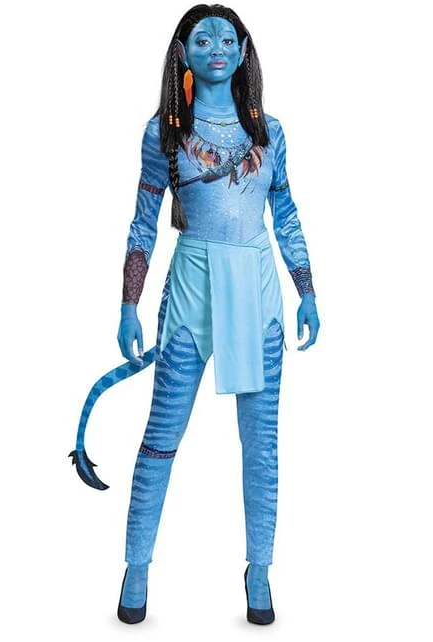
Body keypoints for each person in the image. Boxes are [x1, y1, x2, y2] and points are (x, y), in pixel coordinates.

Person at [116, 3, 320, 625]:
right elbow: (143, 222)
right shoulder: (163, 133)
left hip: (256, 289)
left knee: (262, 443)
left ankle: (260, 569)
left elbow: (285, 211)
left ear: (242, 50)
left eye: (226, 39)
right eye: (202, 39)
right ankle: (136, 565)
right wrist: (128, 304)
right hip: (192, 287)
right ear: (183, 52)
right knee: (161, 436)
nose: (216, 49)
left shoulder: (269, 131)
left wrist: (308, 289)